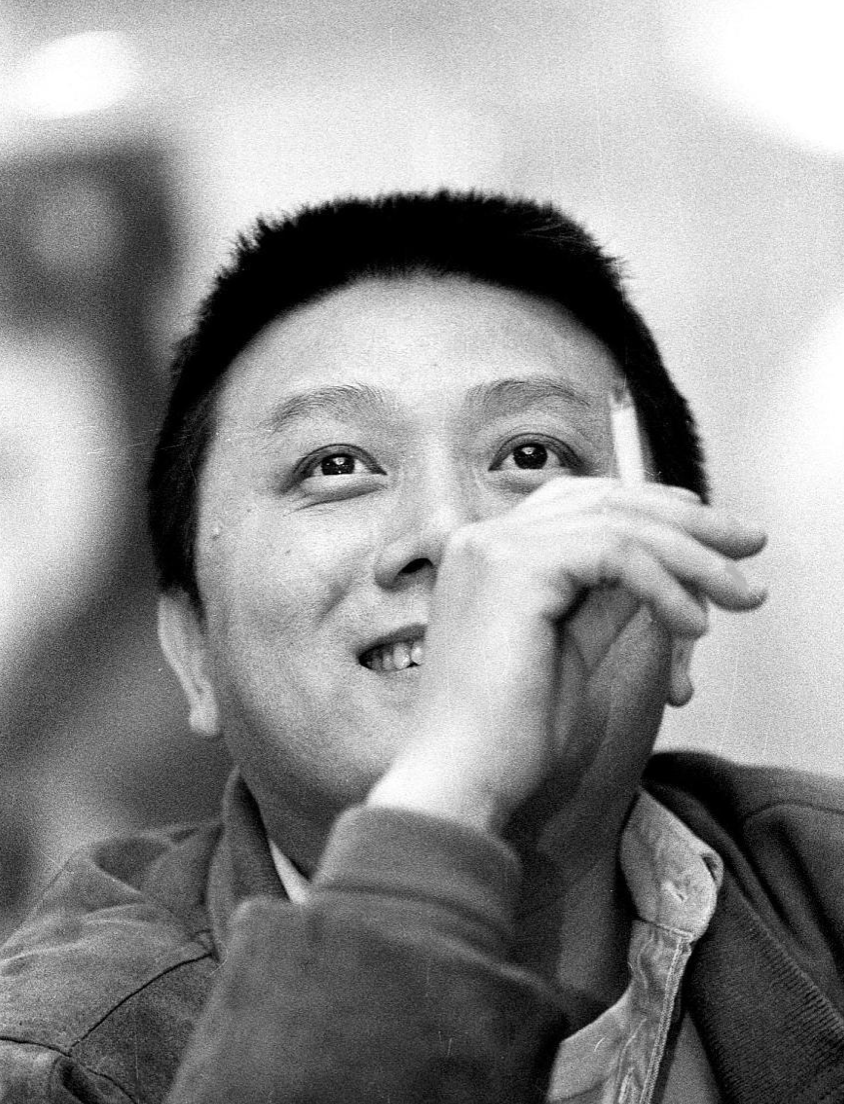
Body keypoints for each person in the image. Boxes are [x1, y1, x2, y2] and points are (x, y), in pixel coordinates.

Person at [1, 190, 843, 1104]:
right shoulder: (59, 1061)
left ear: (678, 610)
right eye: (335, 466)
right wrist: (449, 790)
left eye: (531, 455)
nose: (452, 536)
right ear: (194, 651)